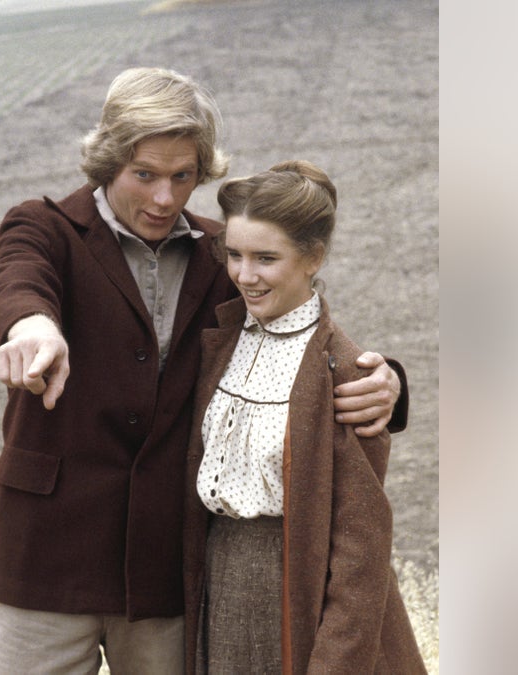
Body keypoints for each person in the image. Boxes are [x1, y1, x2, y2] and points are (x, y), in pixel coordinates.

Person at [0, 67, 408, 673]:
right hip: (45, 560)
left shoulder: (222, 254)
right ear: (107, 163)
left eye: (184, 177)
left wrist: (384, 376)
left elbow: (297, 327)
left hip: (165, 573)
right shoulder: (43, 227)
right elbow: (14, 280)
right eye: (144, 175)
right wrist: (31, 325)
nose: (165, 198)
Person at [182, 161, 426, 674]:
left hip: (297, 588)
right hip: (218, 582)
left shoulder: (346, 371)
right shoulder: (221, 340)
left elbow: (362, 551)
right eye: (234, 255)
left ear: (313, 257)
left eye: (266, 258)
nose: (245, 275)